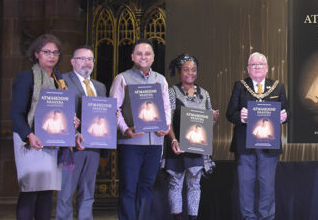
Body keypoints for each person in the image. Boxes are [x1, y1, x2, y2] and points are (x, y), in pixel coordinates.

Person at [11, 34, 70, 220]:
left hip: (52, 141)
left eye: (55, 52)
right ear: (37, 54)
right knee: (30, 190)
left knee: (46, 191)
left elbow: (63, 113)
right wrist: (29, 135)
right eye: (46, 52)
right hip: (29, 141)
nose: (51, 56)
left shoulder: (59, 82)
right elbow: (16, 112)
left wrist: (72, 123)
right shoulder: (27, 77)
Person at [111, 39, 171, 220]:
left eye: (147, 53)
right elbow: (114, 109)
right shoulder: (122, 78)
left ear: (153, 57)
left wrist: (166, 126)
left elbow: (167, 108)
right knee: (129, 186)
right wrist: (125, 129)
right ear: (132, 56)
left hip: (155, 143)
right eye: (139, 53)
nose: (143, 57)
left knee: (147, 186)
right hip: (131, 143)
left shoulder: (160, 80)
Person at [226, 52, 289, 220]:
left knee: (267, 186)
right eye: (253, 64)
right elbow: (230, 113)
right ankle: (248, 218)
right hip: (244, 145)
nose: (257, 67)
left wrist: (284, 116)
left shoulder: (278, 87)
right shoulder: (240, 86)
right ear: (248, 68)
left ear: (267, 68)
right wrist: (240, 115)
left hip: (269, 145)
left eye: (261, 64)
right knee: (245, 186)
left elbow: (287, 112)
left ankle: (267, 217)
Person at [164, 53, 219, 220]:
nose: (190, 73)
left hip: (197, 146)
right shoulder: (172, 92)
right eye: (186, 69)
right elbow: (168, 120)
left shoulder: (205, 94)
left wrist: (213, 119)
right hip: (177, 145)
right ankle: (177, 218)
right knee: (175, 183)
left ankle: (193, 218)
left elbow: (207, 125)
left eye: (193, 70)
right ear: (179, 72)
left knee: (194, 185)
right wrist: (173, 139)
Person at [56, 46, 108, 220]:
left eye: (90, 59)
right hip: (71, 147)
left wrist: (111, 116)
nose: (87, 62)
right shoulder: (62, 81)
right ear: (73, 62)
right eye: (82, 58)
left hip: (94, 146)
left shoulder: (100, 87)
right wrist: (73, 130)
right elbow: (57, 110)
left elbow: (102, 116)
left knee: (88, 193)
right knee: (65, 193)